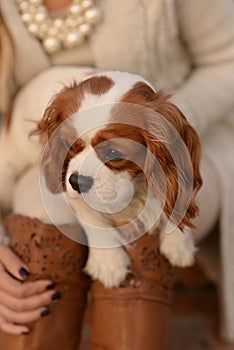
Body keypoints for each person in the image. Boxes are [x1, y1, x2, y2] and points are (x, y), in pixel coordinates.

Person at [0, 0, 234, 347]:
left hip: (186, 143)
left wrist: (165, 126)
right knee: (39, 241)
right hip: (39, 160)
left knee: (139, 229)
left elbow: (228, 61)